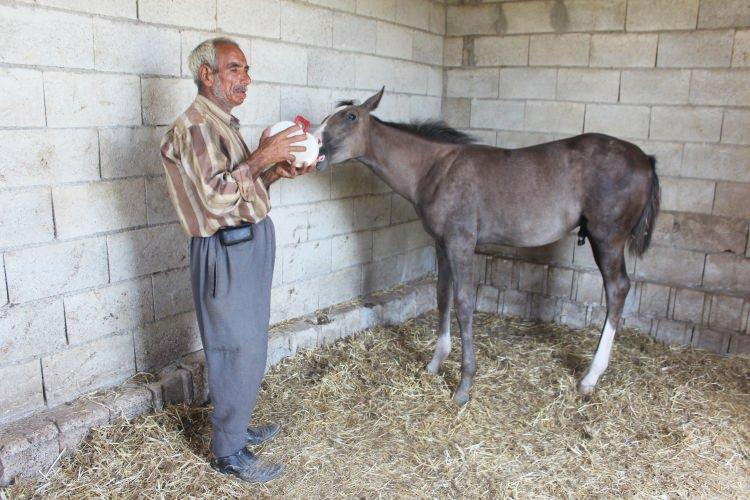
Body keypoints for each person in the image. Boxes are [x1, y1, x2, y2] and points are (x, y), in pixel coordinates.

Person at [160, 37, 317, 483]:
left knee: (249, 345)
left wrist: (272, 171)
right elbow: (215, 198)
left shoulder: (221, 124)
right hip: (225, 248)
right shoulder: (195, 128)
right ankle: (227, 451)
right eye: (234, 69)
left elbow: (240, 191)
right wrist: (264, 155)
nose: (245, 78)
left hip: (247, 241)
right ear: (207, 74)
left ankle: (236, 424)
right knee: (233, 349)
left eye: (246, 69)